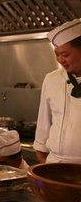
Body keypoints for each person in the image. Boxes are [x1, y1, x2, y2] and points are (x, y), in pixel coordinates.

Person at [34, 18, 81, 163]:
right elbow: (43, 126)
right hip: (54, 164)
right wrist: (44, 163)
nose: (60, 60)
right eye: (57, 54)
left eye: (65, 54)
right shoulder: (52, 79)